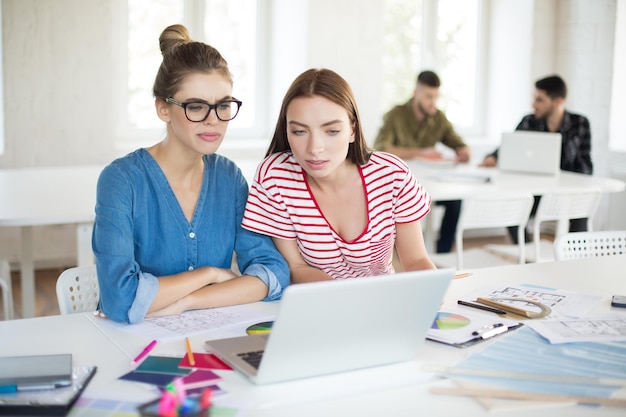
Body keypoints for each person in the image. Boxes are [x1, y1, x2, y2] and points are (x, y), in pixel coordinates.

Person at [92, 24, 289, 324]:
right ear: (163, 109)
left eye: (223, 105)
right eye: (196, 107)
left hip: (208, 335)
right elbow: (120, 299)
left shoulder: (229, 178)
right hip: (128, 343)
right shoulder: (121, 180)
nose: (213, 120)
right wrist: (209, 275)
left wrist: (189, 300)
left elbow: (273, 274)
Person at [241, 68, 436, 283]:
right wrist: (343, 300)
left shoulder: (392, 175)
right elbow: (295, 268)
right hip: (318, 304)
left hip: (380, 302)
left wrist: (431, 291)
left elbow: (416, 260)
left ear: (352, 130)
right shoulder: (276, 177)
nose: (315, 148)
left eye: (331, 131)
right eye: (299, 131)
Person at [481, 74, 593, 243]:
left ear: (558, 101)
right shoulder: (529, 121)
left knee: (581, 212)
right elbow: (510, 145)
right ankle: (527, 253)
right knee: (513, 209)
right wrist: (492, 157)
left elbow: (586, 166)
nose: (534, 104)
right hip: (539, 193)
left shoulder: (580, 123)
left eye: (539, 100)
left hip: (569, 194)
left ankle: (573, 256)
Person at [373, 70, 471, 254]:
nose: (432, 102)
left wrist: (464, 150)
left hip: (430, 183)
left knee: (455, 200)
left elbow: (457, 142)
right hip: (399, 185)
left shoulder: (438, 117)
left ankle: (443, 254)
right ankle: (398, 253)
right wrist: (422, 153)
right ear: (415, 93)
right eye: (428, 97)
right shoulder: (396, 115)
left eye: (435, 97)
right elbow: (380, 149)